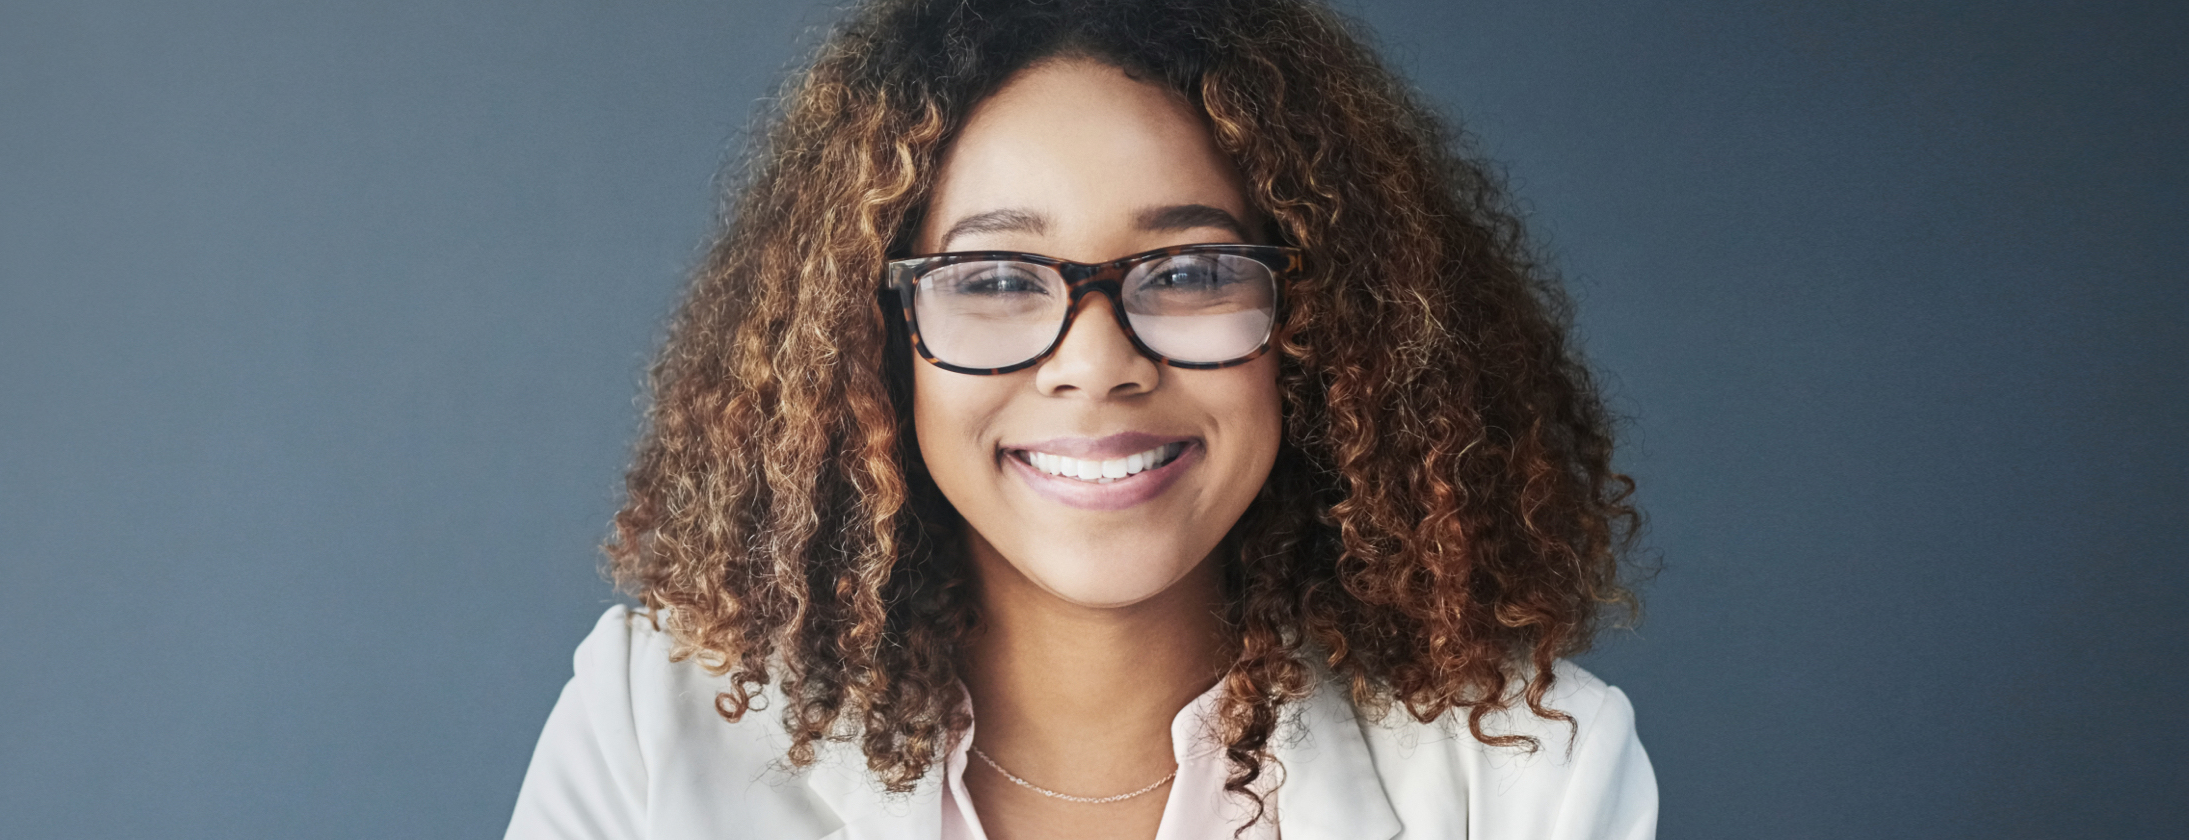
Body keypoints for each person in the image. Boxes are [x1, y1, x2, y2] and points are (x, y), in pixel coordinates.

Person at [502, 1, 1654, 838]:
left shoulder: (1529, 769)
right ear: (870, 337)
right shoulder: (649, 722)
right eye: (996, 279)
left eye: (1191, 272)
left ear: (1324, 323)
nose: (1094, 366)